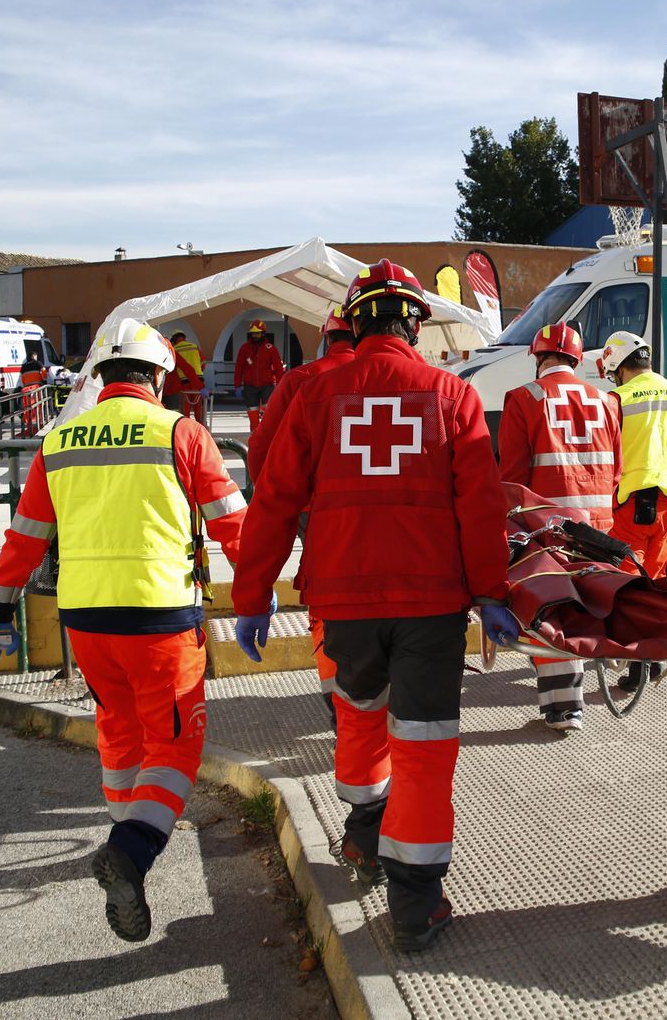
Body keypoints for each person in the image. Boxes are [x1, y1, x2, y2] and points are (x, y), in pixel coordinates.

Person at [229, 259, 514, 953]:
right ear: (416, 322)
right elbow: (480, 508)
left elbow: (272, 501)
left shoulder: (315, 395)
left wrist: (254, 593)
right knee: (422, 747)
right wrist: (492, 594)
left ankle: (361, 835)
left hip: (343, 600)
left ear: (352, 323)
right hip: (430, 604)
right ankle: (415, 903)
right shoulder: (452, 394)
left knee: (358, 721)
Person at [0, 319, 247, 944]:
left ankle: (126, 841)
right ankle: (130, 851)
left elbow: (26, 537)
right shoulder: (183, 432)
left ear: (101, 378)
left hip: (86, 623)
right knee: (174, 745)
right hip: (162, 619)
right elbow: (236, 528)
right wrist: (259, 594)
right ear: (157, 376)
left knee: (118, 731)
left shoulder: (60, 438)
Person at [498, 322, 622, 731]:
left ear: (538, 358)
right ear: (577, 358)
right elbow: (617, 470)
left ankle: (564, 707)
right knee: (590, 604)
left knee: (555, 609)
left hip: (549, 524)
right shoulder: (606, 400)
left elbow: (512, 478)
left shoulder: (523, 398)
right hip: (599, 522)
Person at [245, 304, 357, 727]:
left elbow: (260, 450)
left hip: (317, 511)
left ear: (328, 338)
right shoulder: (397, 376)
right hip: (389, 513)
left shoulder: (302, 380)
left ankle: (336, 693)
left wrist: (285, 498)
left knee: (325, 595)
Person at [596, 329, 667, 690]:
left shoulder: (616, 399)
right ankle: (650, 659)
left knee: (625, 584)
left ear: (616, 367)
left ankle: (636, 661)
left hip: (630, 506)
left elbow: (603, 455)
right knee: (656, 581)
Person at [233, 321, 284, 433]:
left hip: (267, 387)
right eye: (253, 333)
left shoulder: (271, 349)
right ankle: (255, 441)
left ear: (263, 333)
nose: (255, 336)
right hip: (250, 387)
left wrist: (280, 386)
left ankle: (268, 440)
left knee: (268, 417)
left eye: (257, 333)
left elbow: (278, 369)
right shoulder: (244, 348)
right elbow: (239, 368)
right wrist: (237, 386)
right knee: (253, 418)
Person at [168, 330, 206, 424]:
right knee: (198, 405)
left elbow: (173, 369)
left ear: (174, 339)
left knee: (186, 406)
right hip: (198, 380)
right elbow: (203, 363)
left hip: (184, 381)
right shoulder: (194, 347)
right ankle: (200, 425)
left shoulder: (175, 349)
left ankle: (186, 425)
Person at [19, 349, 45, 436]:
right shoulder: (38, 363)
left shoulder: (23, 366)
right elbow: (44, 371)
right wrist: (44, 380)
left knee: (27, 407)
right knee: (38, 405)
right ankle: (39, 422)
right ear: (34, 356)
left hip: (26, 389)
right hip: (36, 387)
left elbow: (22, 378)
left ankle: (29, 424)